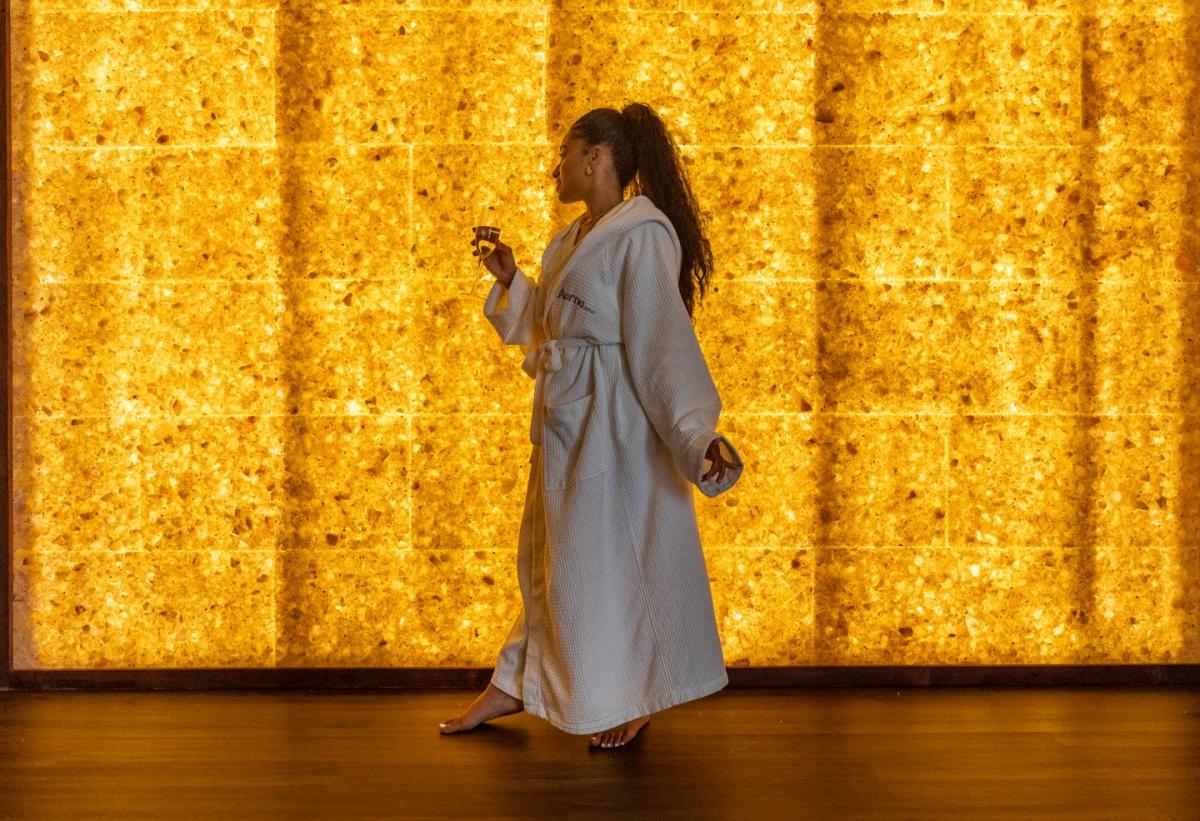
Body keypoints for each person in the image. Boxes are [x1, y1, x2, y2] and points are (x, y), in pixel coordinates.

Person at [439, 103, 745, 749]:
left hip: (615, 428)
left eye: (564, 152)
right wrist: (513, 281)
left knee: (605, 562)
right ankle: (514, 681)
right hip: (567, 424)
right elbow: (550, 331)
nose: (555, 167)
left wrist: (695, 434)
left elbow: (661, 341)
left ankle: (631, 695)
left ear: (595, 157)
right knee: (555, 558)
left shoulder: (642, 235)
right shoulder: (569, 241)